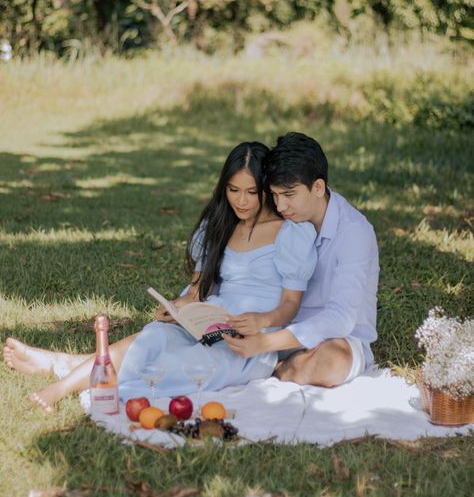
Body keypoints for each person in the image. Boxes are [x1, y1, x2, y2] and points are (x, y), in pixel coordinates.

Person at [3, 141, 317, 412]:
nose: (242, 201)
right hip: (210, 320)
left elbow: (290, 305)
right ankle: (57, 390)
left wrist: (262, 321)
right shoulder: (220, 225)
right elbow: (197, 291)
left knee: (179, 367)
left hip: (250, 340)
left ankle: (64, 365)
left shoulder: (290, 234)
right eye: (233, 190)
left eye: (252, 192)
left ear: (266, 190)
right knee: (151, 338)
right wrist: (177, 307)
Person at [224, 132, 379, 388]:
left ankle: (275, 370)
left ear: (318, 187)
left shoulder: (354, 231)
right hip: (279, 330)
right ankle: (271, 365)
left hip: (334, 339)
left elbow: (340, 318)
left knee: (333, 362)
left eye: (289, 195)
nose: (281, 205)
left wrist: (265, 344)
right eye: (274, 195)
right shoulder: (287, 222)